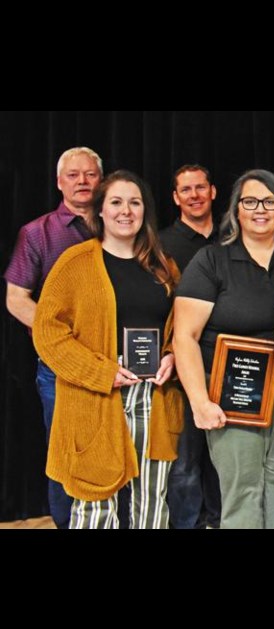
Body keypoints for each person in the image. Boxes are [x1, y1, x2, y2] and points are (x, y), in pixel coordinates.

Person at [33, 170, 182, 529]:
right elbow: (47, 331)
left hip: (154, 395)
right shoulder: (75, 263)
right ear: (99, 210)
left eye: (135, 202)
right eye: (116, 202)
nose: (126, 211)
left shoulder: (164, 266)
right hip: (96, 395)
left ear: (145, 211)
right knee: (94, 507)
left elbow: (180, 328)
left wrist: (173, 356)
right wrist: (100, 372)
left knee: (151, 501)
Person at [174, 170, 274, 529]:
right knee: (242, 491)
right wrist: (200, 402)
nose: (259, 209)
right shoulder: (211, 260)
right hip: (230, 396)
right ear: (236, 210)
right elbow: (184, 336)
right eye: (249, 201)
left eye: (269, 201)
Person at [5, 146, 104, 528]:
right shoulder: (37, 233)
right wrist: (61, 340)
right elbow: (16, 299)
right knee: (65, 453)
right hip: (60, 368)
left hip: (117, 363)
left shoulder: (120, 224)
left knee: (115, 447)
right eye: (74, 175)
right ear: (59, 182)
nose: (82, 182)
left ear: (101, 179)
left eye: (90, 174)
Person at [159, 164, 221, 530]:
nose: (195, 195)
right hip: (181, 363)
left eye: (201, 187)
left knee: (221, 459)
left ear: (213, 191)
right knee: (184, 462)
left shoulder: (233, 237)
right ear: (175, 197)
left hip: (226, 363)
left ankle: (219, 521)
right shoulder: (162, 243)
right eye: (186, 190)